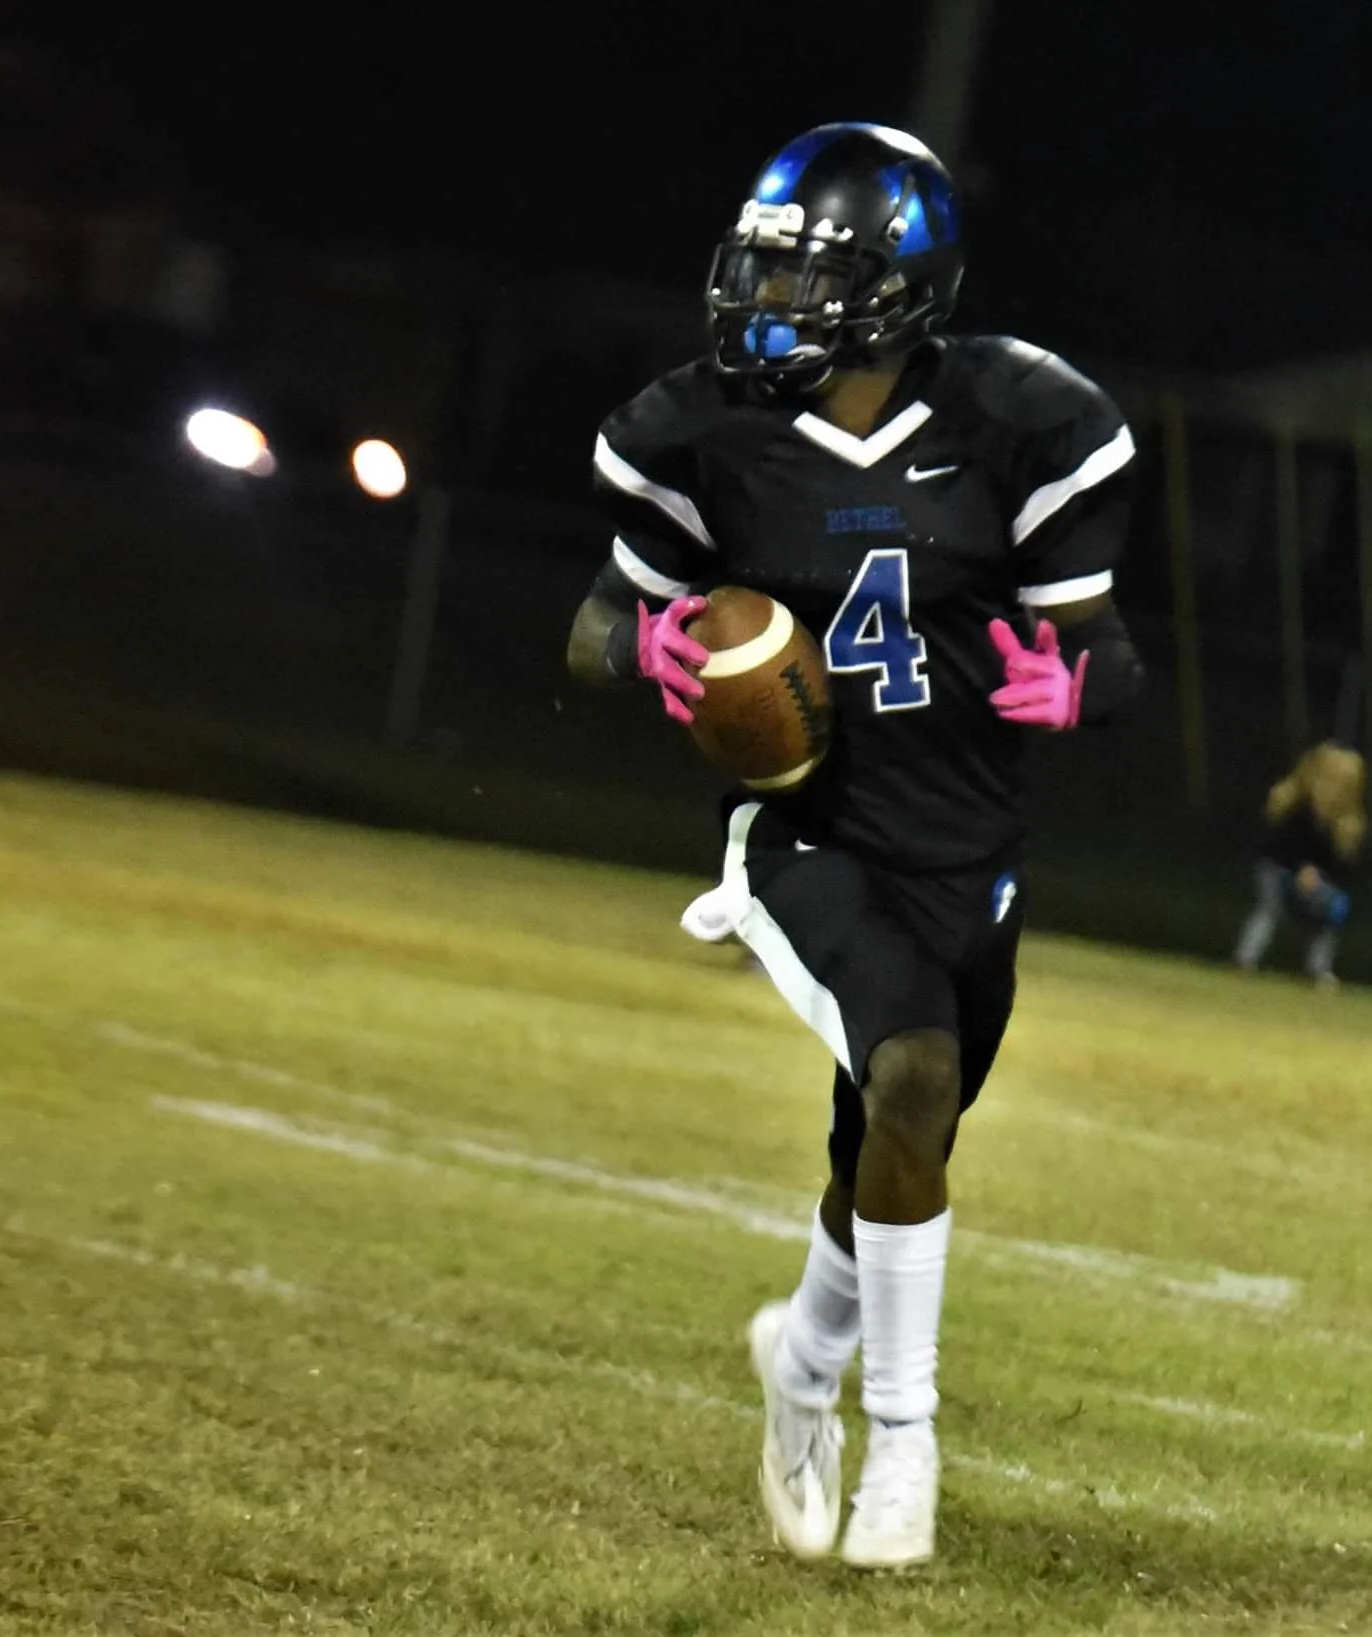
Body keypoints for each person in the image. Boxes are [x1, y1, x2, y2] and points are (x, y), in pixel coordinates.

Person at [564, 123, 1144, 1568]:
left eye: (802, 273)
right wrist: (652, 651)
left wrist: (1069, 686)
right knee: (914, 1072)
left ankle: (802, 1364)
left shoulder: (1025, 422)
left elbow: (1109, 655)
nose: (763, 297)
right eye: (759, 265)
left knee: (895, 1137)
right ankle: (906, 1447)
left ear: (899, 289)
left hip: (969, 841)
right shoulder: (702, 433)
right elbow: (591, 627)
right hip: (807, 830)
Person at [1231, 741, 1366, 987]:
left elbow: (1340, 867)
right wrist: (1300, 868)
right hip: (1276, 871)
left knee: (1329, 916)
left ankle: (1318, 969)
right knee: (1270, 909)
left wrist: (1321, 881)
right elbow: (1278, 847)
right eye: (1327, 779)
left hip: (1311, 883)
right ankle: (1245, 960)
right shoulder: (1295, 809)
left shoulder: (1344, 826)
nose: (1332, 789)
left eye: (1341, 785)